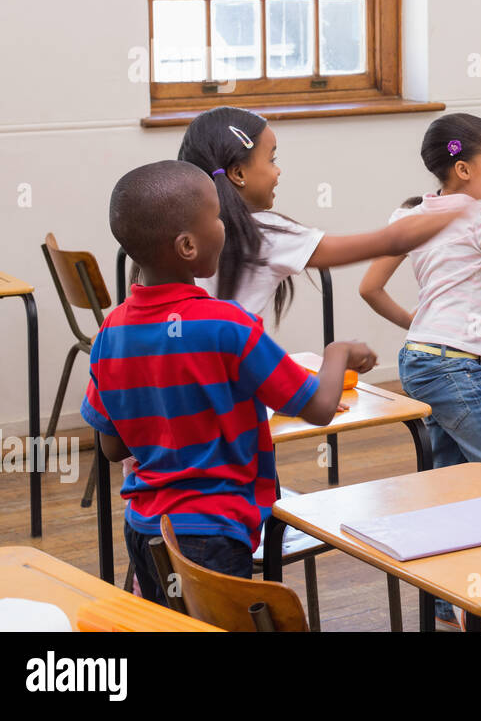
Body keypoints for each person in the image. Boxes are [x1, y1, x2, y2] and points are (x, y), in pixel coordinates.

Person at [81, 161, 374, 604]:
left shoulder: (111, 333)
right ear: (187, 245)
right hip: (211, 533)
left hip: (143, 528)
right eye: (217, 217)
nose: (226, 226)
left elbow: (112, 448)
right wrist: (338, 352)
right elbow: (316, 407)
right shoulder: (228, 326)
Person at [359, 112, 481, 630]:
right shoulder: (477, 214)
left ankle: (447, 603)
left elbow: (368, 288)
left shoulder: (412, 212)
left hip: (420, 360)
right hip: (451, 369)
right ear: (464, 170)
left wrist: (419, 326)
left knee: (447, 482)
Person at [178, 106, 458, 324]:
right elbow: (390, 241)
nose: (278, 171)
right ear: (239, 173)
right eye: (272, 160)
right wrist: (462, 207)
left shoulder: (175, 229)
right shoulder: (264, 234)